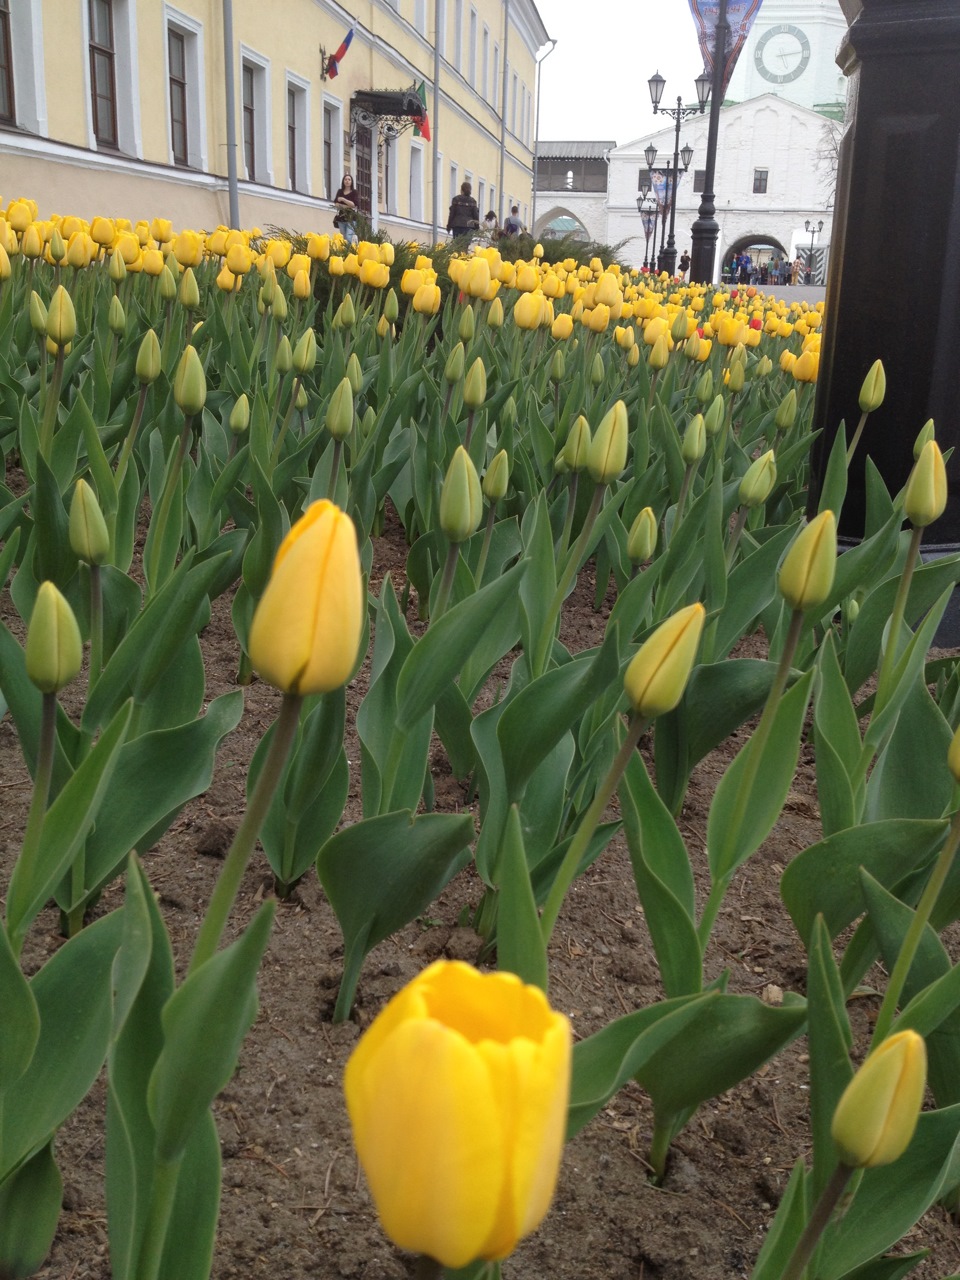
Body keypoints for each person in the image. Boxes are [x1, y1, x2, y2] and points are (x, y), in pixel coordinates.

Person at [333, 173, 360, 246]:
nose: (347, 181)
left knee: (349, 237)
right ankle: (345, 253)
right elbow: (336, 204)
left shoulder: (354, 192)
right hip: (341, 218)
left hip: (351, 218)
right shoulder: (340, 191)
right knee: (343, 238)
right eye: (345, 179)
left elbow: (354, 204)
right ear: (343, 181)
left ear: (351, 182)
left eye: (349, 179)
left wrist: (343, 199)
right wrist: (348, 206)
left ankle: (349, 253)